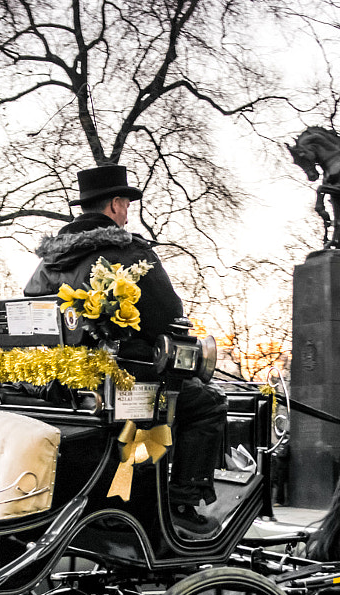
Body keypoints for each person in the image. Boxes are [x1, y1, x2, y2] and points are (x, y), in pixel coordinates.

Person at [24, 164, 228, 537]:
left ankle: (121, 490)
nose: (126, 212)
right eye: (126, 204)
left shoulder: (50, 260)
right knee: (208, 404)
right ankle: (181, 503)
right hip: (123, 379)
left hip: (63, 381)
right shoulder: (125, 250)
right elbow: (168, 312)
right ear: (116, 204)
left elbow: (34, 307)